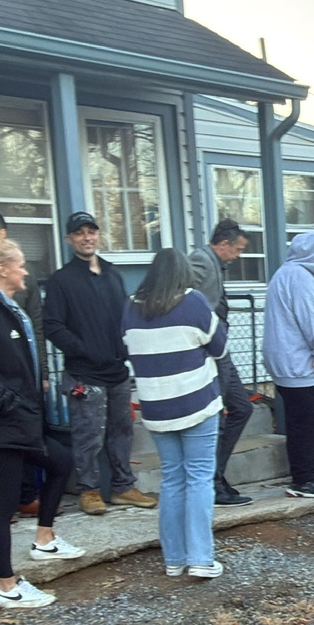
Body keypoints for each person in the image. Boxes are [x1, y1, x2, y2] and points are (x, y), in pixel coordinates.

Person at [0, 220, 84, 609]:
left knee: (61, 462)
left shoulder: (4, 307)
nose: (26, 272)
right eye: (21, 265)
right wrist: (10, 402)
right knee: (3, 506)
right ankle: (7, 587)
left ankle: (44, 539)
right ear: (1, 269)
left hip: (19, 421)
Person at [123, 248, 231, 579]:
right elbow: (220, 347)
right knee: (198, 478)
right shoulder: (193, 301)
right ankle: (201, 558)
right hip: (196, 402)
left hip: (156, 407)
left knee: (172, 479)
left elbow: (127, 349)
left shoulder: (131, 306)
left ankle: (174, 559)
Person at [44, 212, 154, 516]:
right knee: (88, 434)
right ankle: (89, 490)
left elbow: (125, 317)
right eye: (79, 233)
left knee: (122, 431)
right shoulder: (61, 280)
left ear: (97, 235)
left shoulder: (112, 275)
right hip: (84, 374)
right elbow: (52, 326)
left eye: (91, 231)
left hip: (117, 372)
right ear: (69, 239)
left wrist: (129, 349)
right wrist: (83, 350)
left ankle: (123, 487)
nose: (86, 237)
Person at [262, 230, 314, 498]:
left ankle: (303, 476)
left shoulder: (283, 274)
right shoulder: (301, 279)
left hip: (286, 364)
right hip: (302, 366)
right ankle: (303, 480)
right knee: (308, 426)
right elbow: (312, 321)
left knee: (298, 425)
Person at [188, 220, 256, 506]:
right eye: (238, 249)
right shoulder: (200, 261)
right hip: (208, 354)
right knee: (217, 415)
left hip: (221, 351)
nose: (238, 256)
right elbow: (184, 301)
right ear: (224, 244)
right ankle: (212, 483)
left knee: (242, 407)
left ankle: (217, 474)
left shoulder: (214, 263)